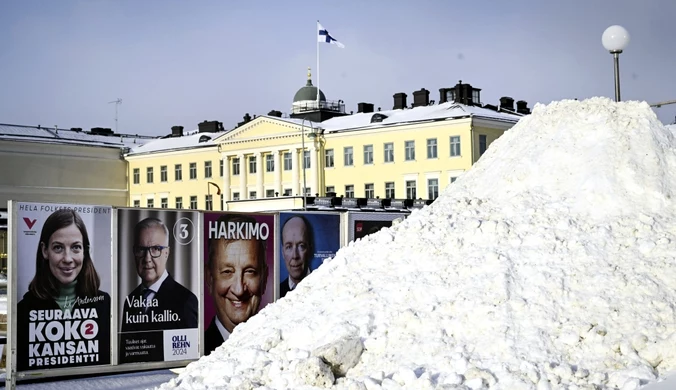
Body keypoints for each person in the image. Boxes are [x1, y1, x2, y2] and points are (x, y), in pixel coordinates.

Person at [17, 209, 111, 371]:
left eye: (76, 247)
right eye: (58, 248)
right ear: (45, 250)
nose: (68, 259)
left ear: (85, 251)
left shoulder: (104, 304)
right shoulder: (24, 309)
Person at [204, 214, 268, 355]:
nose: (239, 290)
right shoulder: (202, 351)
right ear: (209, 278)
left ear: (265, 277)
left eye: (250, 271)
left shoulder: (277, 348)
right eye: (227, 272)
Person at [120, 217, 197, 333]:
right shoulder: (130, 300)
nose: (147, 258)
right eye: (141, 249)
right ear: (134, 252)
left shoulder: (186, 300)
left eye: (155, 249)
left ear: (167, 253)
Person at [279, 215, 314, 298]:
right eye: (289, 247)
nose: (295, 255)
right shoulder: (277, 293)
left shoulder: (323, 288)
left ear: (310, 250)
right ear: (282, 252)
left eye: (301, 246)